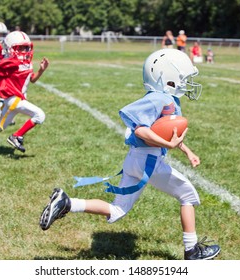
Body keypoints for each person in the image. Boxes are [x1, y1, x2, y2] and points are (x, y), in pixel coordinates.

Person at [39, 49, 221, 260]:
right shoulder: (158, 98)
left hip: (136, 159)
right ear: (167, 76)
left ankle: (68, 202)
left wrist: (187, 151)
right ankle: (192, 250)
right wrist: (167, 145)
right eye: (183, 77)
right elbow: (140, 130)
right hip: (148, 160)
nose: (186, 82)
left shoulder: (167, 99)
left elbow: (169, 133)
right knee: (188, 195)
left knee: (117, 210)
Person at [0, 31, 49, 156]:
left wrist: (41, 70)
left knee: (0, 126)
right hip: (13, 99)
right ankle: (16, 136)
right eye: (20, 47)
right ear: (11, 48)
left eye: (26, 47)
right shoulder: (11, 61)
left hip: (16, 99)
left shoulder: (27, 62)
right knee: (40, 115)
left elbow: (32, 80)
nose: (25, 50)